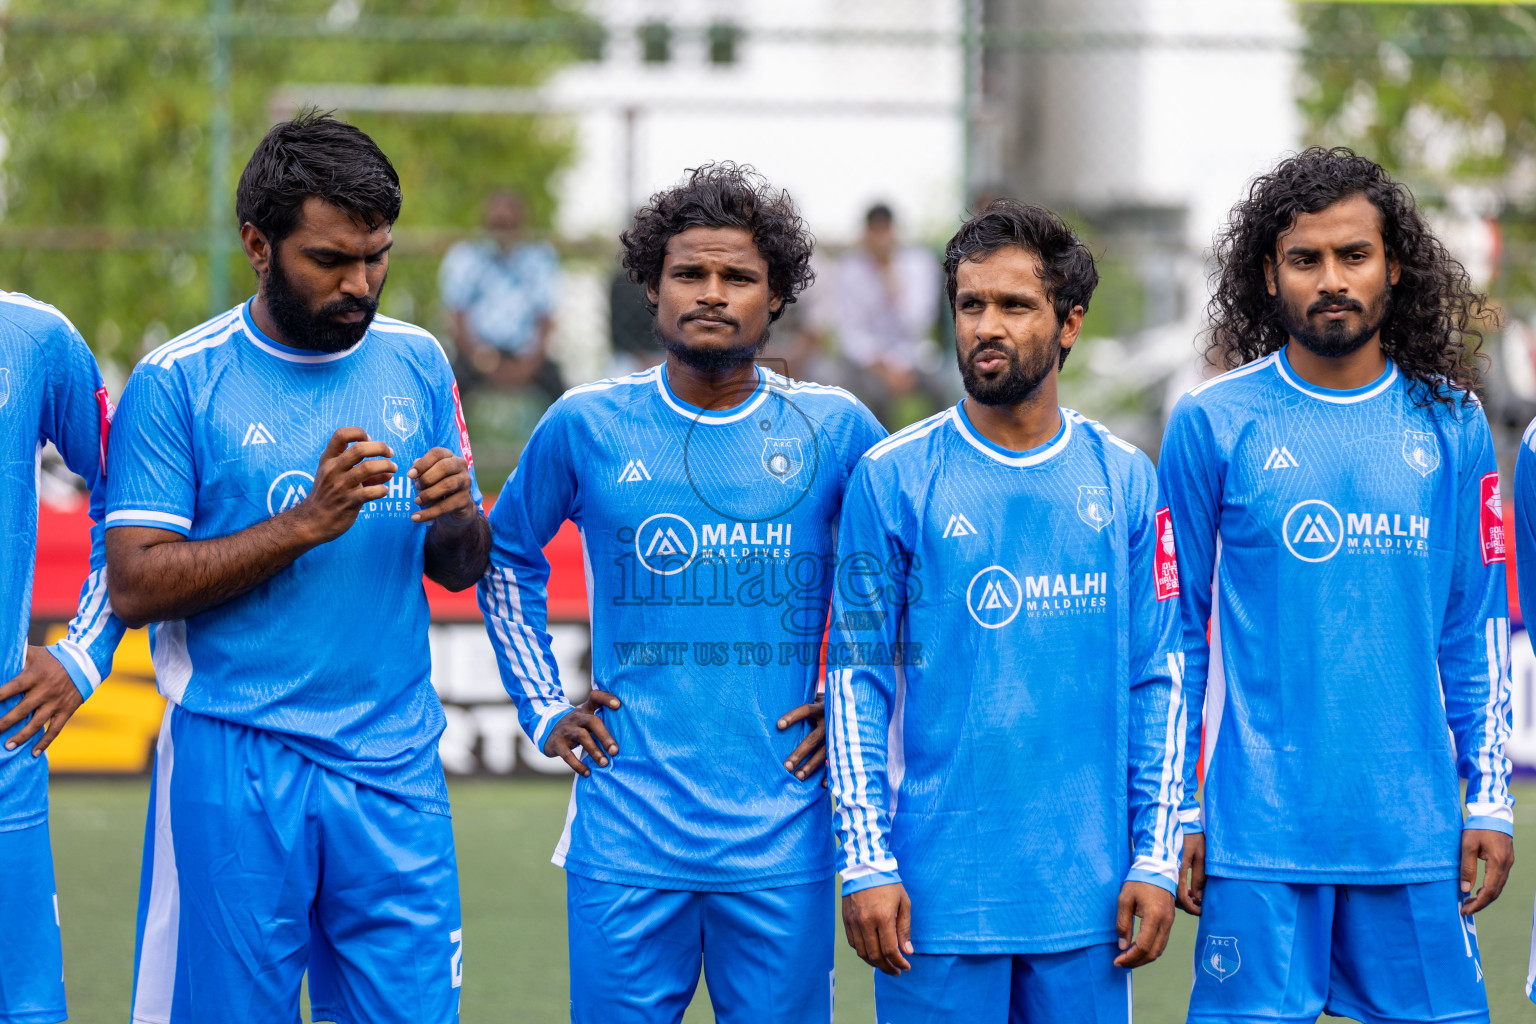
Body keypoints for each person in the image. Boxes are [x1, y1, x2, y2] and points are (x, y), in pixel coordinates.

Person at [478, 162, 885, 1024]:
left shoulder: (838, 429)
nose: (711, 293)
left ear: (776, 298)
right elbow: (504, 556)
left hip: (783, 841)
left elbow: (911, 576)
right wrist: (546, 705)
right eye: (689, 274)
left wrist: (862, 714)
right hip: (627, 836)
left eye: (738, 276)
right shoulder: (586, 423)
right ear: (651, 290)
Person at [104, 112, 488, 1024]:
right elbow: (135, 582)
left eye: (377, 256)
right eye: (330, 261)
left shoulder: (418, 360)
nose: (360, 285)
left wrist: (459, 514)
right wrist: (305, 523)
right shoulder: (178, 381)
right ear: (257, 245)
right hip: (238, 761)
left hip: (395, 767)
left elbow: (463, 566)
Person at [1159, 147, 1511, 1023]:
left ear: (1394, 265)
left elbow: (1474, 626)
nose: (1331, 279)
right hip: (1259, 840)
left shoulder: (1452, 422)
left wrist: (1491, 796)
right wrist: (1178, 814)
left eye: (1353, 255)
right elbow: (1174, 638)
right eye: (1305, 259)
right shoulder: (1211, 422)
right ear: (1269, 275)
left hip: (1413, 835)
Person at [826, 200, 1186, 1023]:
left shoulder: (1127, 478)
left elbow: (1158, 681)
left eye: (1016, 306)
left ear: (1069, 324)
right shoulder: (892, 477)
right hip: (934, 901)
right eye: (970, 304)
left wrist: (1157, 857)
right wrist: (867, 864)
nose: (987, 325)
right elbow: (855, 684)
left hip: (1088, 901)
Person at [0, 292, 126, 1024]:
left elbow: (137, 490)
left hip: (5, 752)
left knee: (28, 1008)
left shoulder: (34, 337)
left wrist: (83, 651)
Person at [827, 203, 945, 425]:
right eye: (875, 231)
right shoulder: (849, 270)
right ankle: (881, 451)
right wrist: (883, 367)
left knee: (941, 386)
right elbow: (850, 332)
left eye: (885, 230)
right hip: (871, 361)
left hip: (914, 355)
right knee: (871, 394)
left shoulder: (918, 264)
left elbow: (919, 324)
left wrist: (891, 280)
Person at [439, 189, 564, 399]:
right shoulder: (465, 257)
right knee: (445, 396)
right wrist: (482, 360)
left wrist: (528, 365)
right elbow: (456, 317)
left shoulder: (540, 258)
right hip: (475, 354)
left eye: (509, 224)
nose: (503, 231)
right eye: (497, 224)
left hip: (527, 357)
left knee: (563, 399)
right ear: (485, 223)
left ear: (521, 223)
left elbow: (546, 318)